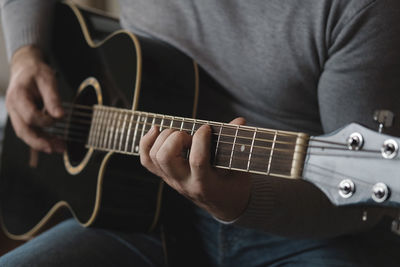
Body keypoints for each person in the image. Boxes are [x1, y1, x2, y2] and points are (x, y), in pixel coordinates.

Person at [1, 0, 400, 266]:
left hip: (302, 226)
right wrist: (25, 54)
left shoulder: (361, 9)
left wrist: (238, 201)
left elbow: (357, 204)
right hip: (141, 207)